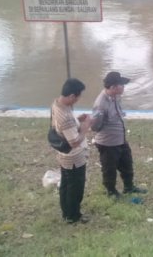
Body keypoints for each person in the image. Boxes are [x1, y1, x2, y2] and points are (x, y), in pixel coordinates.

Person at [91, 71, 147, 199]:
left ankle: (129, 187)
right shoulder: (101, 104)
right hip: (108, 142)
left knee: (127, 164)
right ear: (113, 87)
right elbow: (95, 126)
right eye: (121, 85)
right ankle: (111, 192)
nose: (124, 87)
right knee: (109, 169)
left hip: (120, 139)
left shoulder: (116, 96)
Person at [52, 78, 92, 223]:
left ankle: (66, 213)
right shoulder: (66, 117)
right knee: (75, 188)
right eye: (78, 96)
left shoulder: (57, 104)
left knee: (66, 185)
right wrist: (86, 126)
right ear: (71, 96)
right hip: (74, 158)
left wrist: (78, 119)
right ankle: (73, 216)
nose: (79, 99)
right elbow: (74, 141)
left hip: (63, 156)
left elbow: (66, 127)